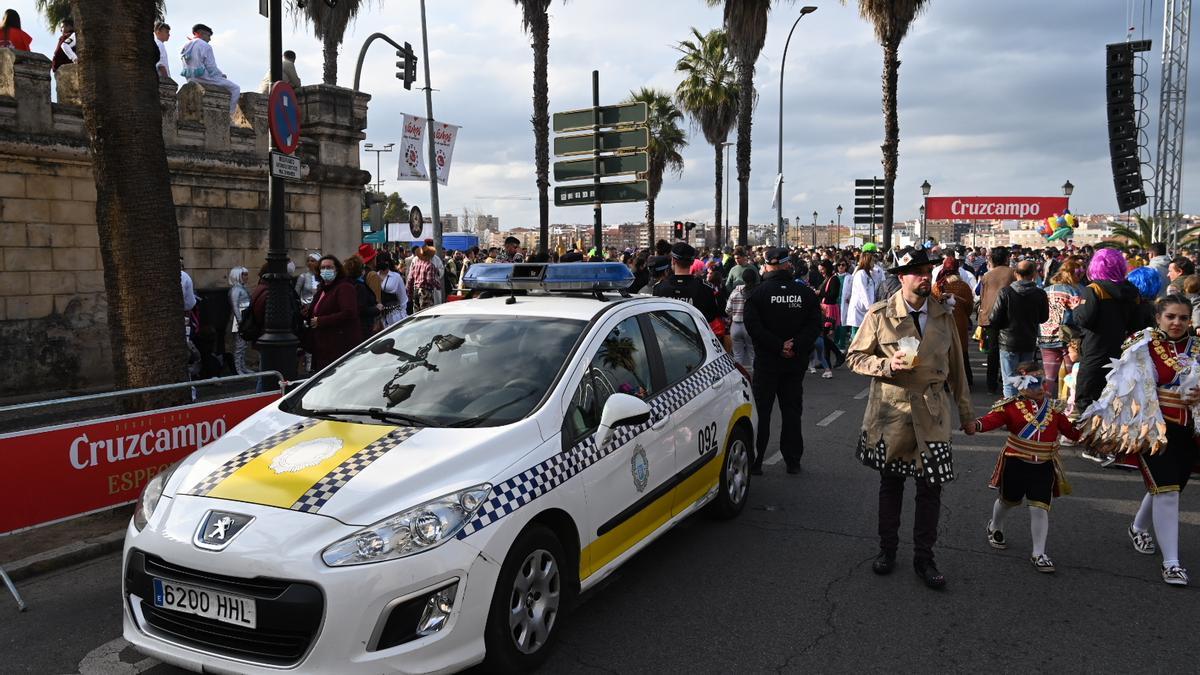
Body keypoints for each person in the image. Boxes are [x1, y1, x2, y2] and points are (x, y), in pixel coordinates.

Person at [846, 248, 974, 589]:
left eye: (927, 270)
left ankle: (924, 557)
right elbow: (854, 357)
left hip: (933, 412)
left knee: (931, 489)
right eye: (915, 271)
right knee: (891, 486)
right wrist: (885, 365)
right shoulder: (881, 314)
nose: (923, 276)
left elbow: (958, 368)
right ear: (900, 277)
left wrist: (967, 413)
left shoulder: (944, 315)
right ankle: (887, 550)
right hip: (892, 411)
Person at [1079, 295, 1200, 586]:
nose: (1177, 323)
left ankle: (1137, 527)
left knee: (1169, 487)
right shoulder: (1142, 346)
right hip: (1153, 430)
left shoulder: (1196, 347)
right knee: (1168, 492)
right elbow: (1123, 389)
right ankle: (1172, 563)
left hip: (1189, 432)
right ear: (1158, 317)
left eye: (1183, 318)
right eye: (1171, 316)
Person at [975, 362, 1081, 574]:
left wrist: (1095, 433)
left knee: (1039, 507)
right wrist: (975, 425)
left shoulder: (1054, 409)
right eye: (1033, 382)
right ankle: (995, 525)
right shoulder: (1010, 407)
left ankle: (1038, 553)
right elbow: (990, 420)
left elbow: (1072, 432)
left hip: (1044, 465)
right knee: (1007, 500)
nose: (1039, 386)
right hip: (1016, 462)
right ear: (1020, 385)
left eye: (1041, 381)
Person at [743, 247, 821, 475]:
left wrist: (777, 346)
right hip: (794, 363)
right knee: (792, 412)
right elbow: (814, 325)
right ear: (788, 265)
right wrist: (794, 345)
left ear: (766, 266)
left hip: (767, 362)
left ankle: (756, 462)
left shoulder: (756, 294)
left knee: (762, 413)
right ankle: (793, 460)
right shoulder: (804, 293)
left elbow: (753, 328)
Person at [1073, 248, 1139, 417]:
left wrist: (1076, 308)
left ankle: (1089, 435)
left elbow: (1084, 319)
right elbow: (1136, 323)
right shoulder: (1132, 290)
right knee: (1113, 398)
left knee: (1086, 398)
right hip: (1122, 352)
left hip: (1095, 350)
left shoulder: (1094, 289)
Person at [988, 260, 1049, 397]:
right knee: (1025, 380)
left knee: (1009, 382)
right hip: (1028, 340)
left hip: (1008, 341)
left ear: (1016, 274)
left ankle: (1010, 412)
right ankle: (1023, 411)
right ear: (1034, 275)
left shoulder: (1006, 292)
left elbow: (994, 319)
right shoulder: (1040, 294)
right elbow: (1044, 317)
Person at [301, 255, 360, 371]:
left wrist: (321, 321)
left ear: (336, 270)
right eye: (322, 268)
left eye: (329, 267)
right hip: (322, 347)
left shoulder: (344, 287)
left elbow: (349, 312)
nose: (325, 270)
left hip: (338, 346)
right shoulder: (322, 290)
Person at [1038, 258, 1084, 396]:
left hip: (1045, 337)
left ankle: (1046, 407)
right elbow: (1080, 315)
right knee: (1073, 375)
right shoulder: (1073, 291)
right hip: (1068, 338)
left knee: (1049, 378)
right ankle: (1070, 407)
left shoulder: (1044, 291)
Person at [932, 256, 975, 388]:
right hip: (960, 322)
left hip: (942, 323)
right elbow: (969, 307)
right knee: (962, 353)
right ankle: (966, 380)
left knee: (944, 352)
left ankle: (944, 381)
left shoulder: (937, 286)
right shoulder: (963, 286)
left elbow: (933, 306)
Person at [652, 242, 721, 323]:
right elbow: (711, 315)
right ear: (692, 262)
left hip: (666, 334)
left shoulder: (659, 288)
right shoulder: (705, 288)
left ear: (673, 261)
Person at [978, 247, 1016, 394]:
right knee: (1009, 350)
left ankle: (991, 385)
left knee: (992, 352)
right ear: (1007, 258)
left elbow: (982, 297)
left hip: (990, 317)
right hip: (1010, 316)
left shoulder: (987, 276)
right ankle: (1007, 380)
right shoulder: (1013, 273)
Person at [180, 24, 241, 114]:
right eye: (208, 36)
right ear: (200, 34)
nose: (210, 39)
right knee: (235, 88)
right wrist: (221, 75)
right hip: (204, 78)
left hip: (190, 79)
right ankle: (230, 116)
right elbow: (211, 67)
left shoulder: (185, 46)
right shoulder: (205, 45)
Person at [727, 267, 758, 377]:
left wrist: (735, 314)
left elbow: (728, 310)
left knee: (737, 354)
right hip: (751, 326)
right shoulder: (757, 293)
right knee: (752, 353)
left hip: (736, 326)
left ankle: (739, 377)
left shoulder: (735, 292)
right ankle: (755, 377)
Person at [343, 254, 381, 339]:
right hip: (363, 328)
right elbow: (361, 309)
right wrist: (377, 309)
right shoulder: (359, 286)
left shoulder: (347, 283)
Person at [845, 251, 880, 342]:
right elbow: (863, 292)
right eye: (872, 261)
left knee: (863, 336)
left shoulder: (868, 274)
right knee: (856, 337)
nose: (874, 264)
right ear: (867, 261)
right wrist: (870, 307)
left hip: (865, 309)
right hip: (859, 310)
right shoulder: (860, 274)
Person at [227, 266, 252, 375]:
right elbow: (235, 306)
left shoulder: (242, 288)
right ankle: (238, 369)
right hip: (239, 319)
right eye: (244, 274)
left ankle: (242, 366)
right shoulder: (236, 289)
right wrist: (240, 321)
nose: (246, 277)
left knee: (244, 345)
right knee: (239, 345)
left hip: (245, 318)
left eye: (246, 274)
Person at [376, 253, 408, 327]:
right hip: (379, 317)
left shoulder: (396, 277)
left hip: (395, 316)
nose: (383, 263)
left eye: (385, 261)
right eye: (380, 261)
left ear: (388, 262)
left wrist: (403, 314)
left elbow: (403, 298)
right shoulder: (374, 276)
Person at [407, 244, 442, 312]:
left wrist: (409, 292)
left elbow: (410, 278)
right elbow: (430, 280)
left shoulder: (416, 264)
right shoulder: (430, 265)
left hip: (416, 291)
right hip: (425, 292)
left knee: (416, 314)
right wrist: (438, 286)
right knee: (426, 313)